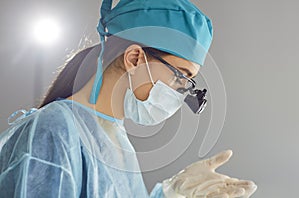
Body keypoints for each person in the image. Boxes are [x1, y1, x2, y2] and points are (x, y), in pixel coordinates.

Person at [0, 0, 257, 197]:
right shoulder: (55, 130)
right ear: (134, 58)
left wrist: (169, 193)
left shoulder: (119, 146)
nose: (180, 92)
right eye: (181, 77)